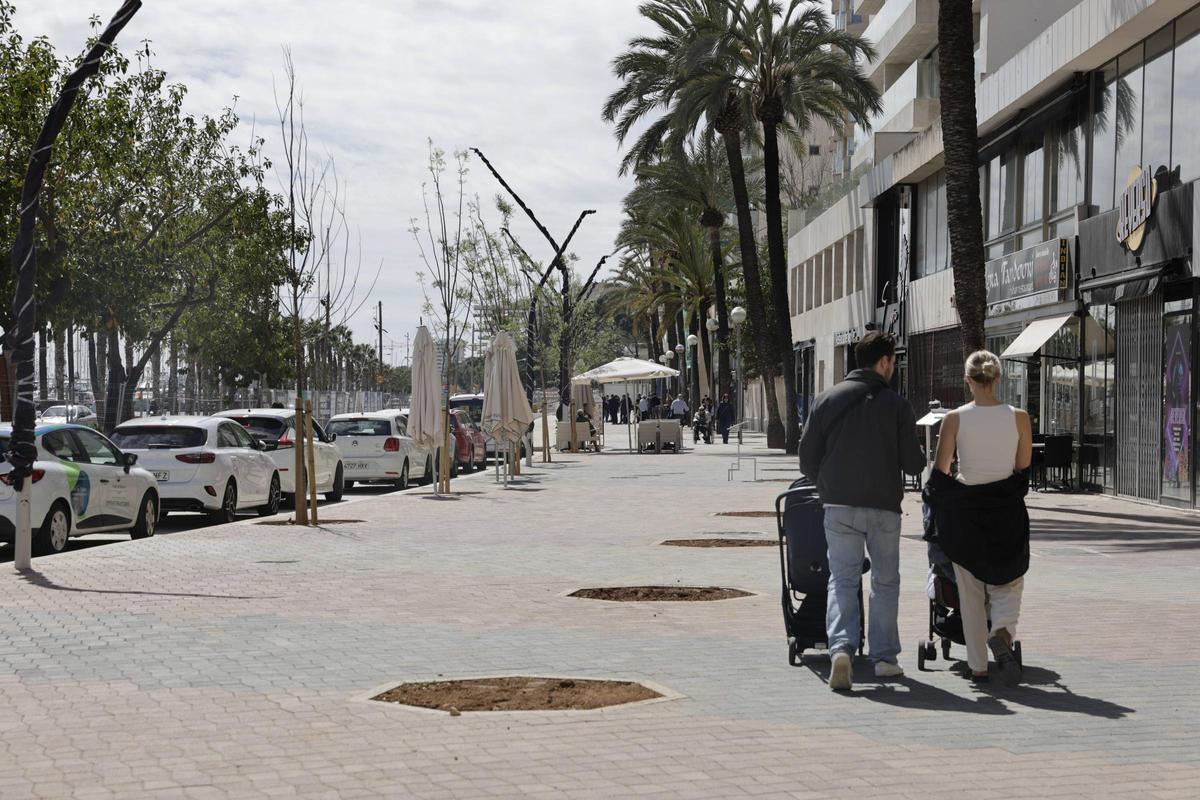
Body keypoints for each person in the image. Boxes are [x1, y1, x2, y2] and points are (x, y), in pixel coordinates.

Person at [798, 331, 924, 691]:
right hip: (884, 507)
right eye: (893, 362)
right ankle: (884, 659)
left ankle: (841, 648)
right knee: (885, 581)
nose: (894, 368)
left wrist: (828, 478)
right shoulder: (897, 405)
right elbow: (914, 465)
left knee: (842, 578)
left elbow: (807, 459)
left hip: (838, 505)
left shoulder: (826, 399)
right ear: (883, 362)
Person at [928, 350, 1032, 686]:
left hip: (966, 515)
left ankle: (978, 668)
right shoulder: (1020, 418)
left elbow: (941, 470)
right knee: (1009, 581)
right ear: (998, 378)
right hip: (1006, 512)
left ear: (968, 380)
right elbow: (1022, 466)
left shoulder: (954, 418)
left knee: (970, 594)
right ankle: (1001, 631)